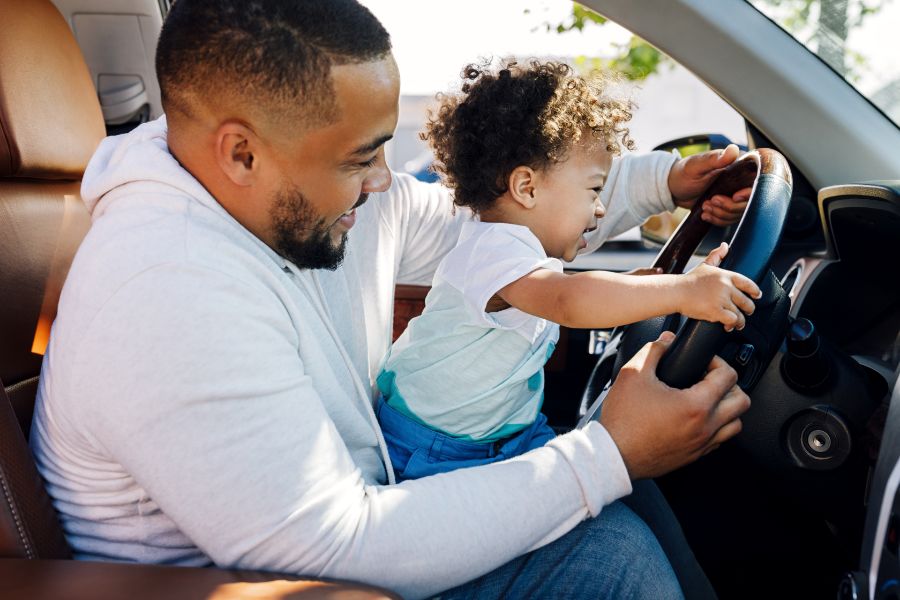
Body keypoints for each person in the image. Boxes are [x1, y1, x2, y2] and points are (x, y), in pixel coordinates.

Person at [30, 1, 751, 598]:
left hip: (358, 539)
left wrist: (665, 184)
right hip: (291, 582)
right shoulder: (164, 290)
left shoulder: (301, 198)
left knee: (630, 514)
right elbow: (331, 546)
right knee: (615, 558)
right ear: (241, 154)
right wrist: (610, 453)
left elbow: (495, 220)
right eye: (360, 158)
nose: (385, 180)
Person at [375, 60, 760, 482]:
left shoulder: (522, 254)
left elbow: (570, 292)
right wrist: (682, 291)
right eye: (594, 189)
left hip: (507, 434)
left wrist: (656, 286)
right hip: (435, 449)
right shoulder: (492, 248)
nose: (600, 207)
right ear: (526, 187)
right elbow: (569, 301)